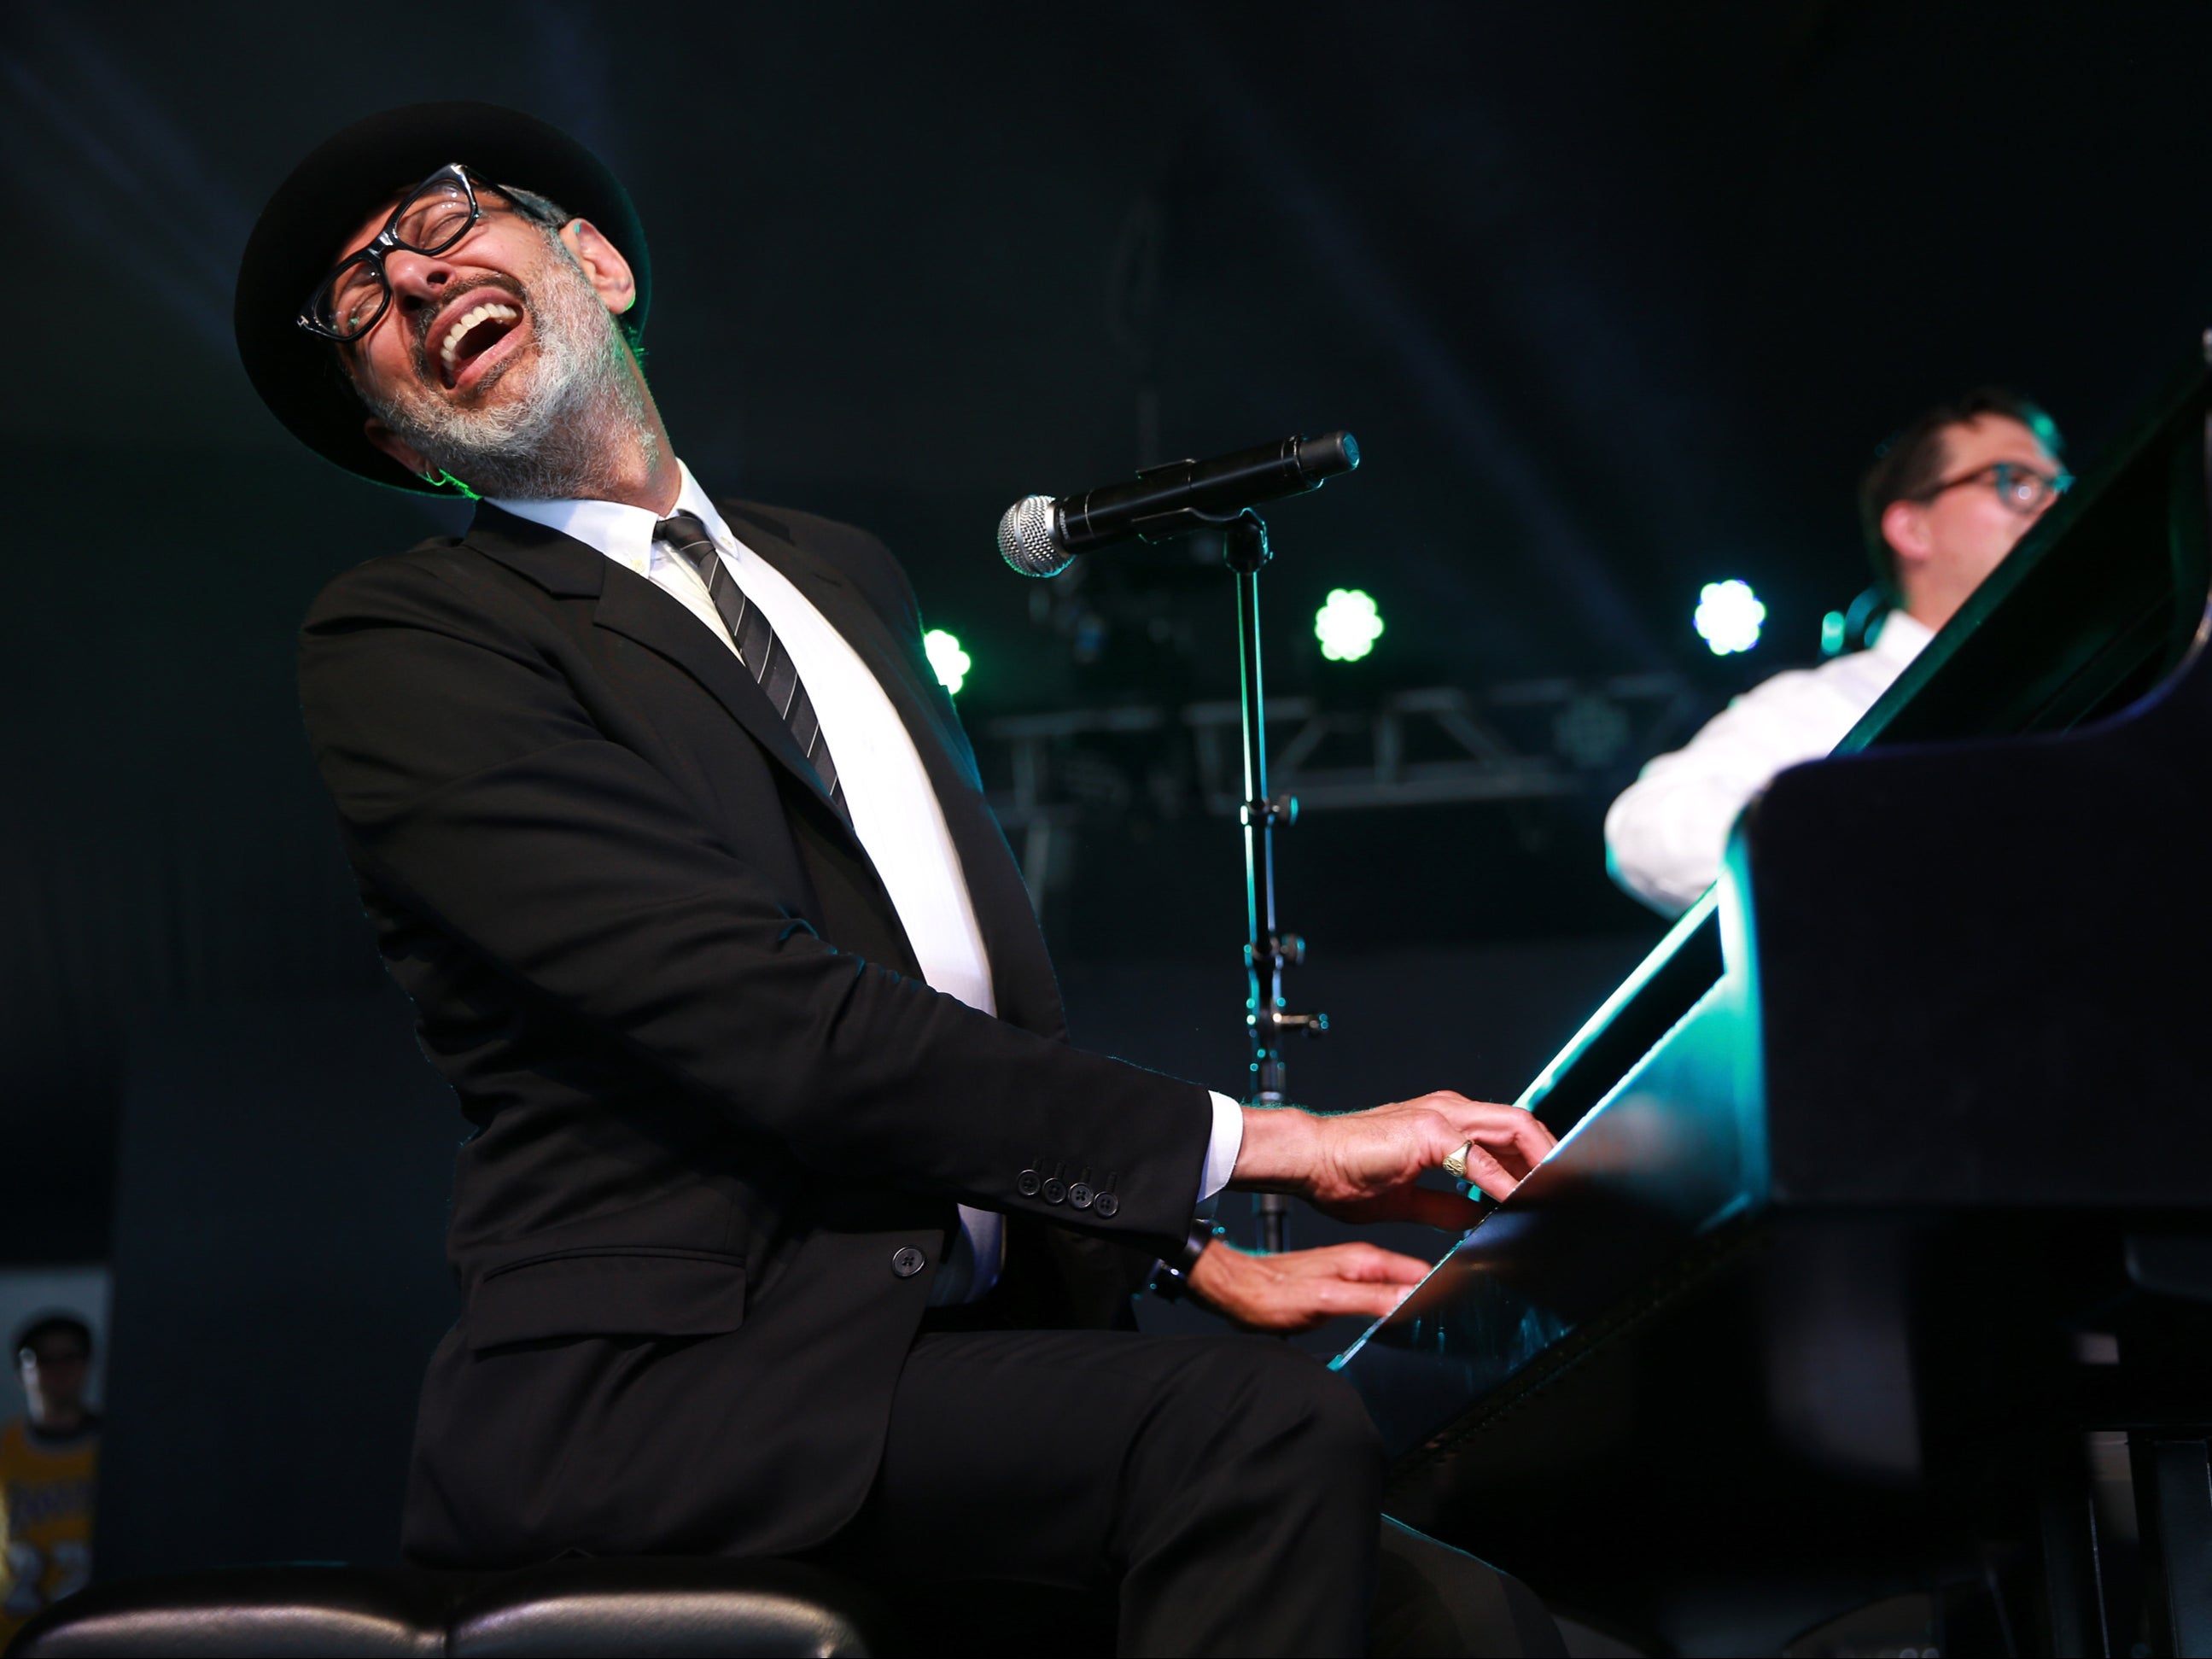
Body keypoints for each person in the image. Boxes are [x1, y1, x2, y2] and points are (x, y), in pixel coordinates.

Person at [234, 103, 1565, 1656]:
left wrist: (1184, 1251)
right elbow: (764, 1018)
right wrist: (1267, 1143)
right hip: (687, 1392)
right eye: (357, 305)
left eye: (444, 220)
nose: (405, 280)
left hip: (957, 1356)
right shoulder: (408, 645)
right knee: (1250, 1437)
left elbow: (942, 979)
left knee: (1484, 1621)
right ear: (398, 439)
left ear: (594, 259)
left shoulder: (841, 573)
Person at [1605, 389, 2069, 915]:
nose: (2055, 503)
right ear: (1912, 529)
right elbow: (1647, 829)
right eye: (2018, 482)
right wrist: (1873, 855)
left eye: (2060, 484)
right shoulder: (1828, 704)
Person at [1, 1314, 100, 1648]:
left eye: (69, 1357)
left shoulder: (124, 1449)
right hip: (16, 1639)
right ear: (21, 1371)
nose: (58, 1370)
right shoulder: (5, 1453)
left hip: (100, 1638)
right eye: (44, 1358)